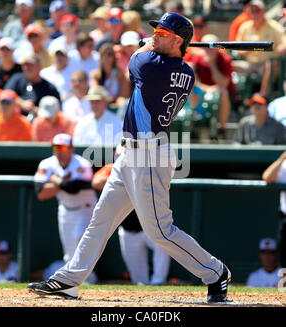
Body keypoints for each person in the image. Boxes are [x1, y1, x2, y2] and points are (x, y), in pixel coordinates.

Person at [28, 12, 231, 303]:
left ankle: (215, 272)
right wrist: (160, 43)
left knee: (159, 230)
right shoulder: (186, 72)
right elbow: (156, 56)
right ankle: (69, 280)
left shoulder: (149, 64)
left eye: (163, 33)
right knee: (102, 219)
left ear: (177, 41)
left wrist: (147, 43)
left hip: (149, 154)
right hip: (133, 153)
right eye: (156, 32)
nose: (156, 35)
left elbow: (137, 58)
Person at [92, 161, 171, 285]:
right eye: (118, 155)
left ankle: (158, 281)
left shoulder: (144, 167)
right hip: (128, 230)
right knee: (138, 279)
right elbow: (96, 181)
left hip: (149, 227)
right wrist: (121, 177)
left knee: (163, 246)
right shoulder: (113, 168)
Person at [33, 133, 98, 283]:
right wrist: (62, 182)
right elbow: (41, 193)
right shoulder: (47, 164)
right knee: (69, 254)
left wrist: (55, 180)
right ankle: (73, 283)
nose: (59, 151)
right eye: (56, 147)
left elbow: (73, 188)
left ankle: (88, 280)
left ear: (71, 149)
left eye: (63, 147)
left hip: (86, 209)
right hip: (65, 210)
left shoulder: (82, 164)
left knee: (81, 245)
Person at [191, 33, 239, 138]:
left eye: (212, 47)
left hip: (223, 92)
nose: (209, 49)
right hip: (204, 90)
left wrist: (212, 64)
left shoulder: (225, 59)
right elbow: (194, 80)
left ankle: (221, 129)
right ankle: (191, 125)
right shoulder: (198, 59)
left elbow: (223, 83)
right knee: (190, 90)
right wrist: (207, 88)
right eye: (206, 46)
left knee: (224, 92)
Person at [235, 0, 286, 95]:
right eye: (252, 11)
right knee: (228, 65)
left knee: (272, 65)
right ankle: (235, 100)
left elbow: (284, 43)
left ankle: (262, 96)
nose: (254, 14)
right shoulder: (244, 27)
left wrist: (281, 48)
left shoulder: (273, 26)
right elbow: (238, 49)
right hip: (249, 63)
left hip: (266, 63)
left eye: (257, 10)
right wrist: (251, 48)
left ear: (263, 11)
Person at [4, 53, 60, 118]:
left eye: (31, 65)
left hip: (40, 123)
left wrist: (39, 111)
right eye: (25, 65)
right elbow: (5, 94)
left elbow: (56, 109)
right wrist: (22, 103)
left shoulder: (49, 88)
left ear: (39, 66)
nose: (27, 68)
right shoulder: (17, 78)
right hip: (17, 121)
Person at [262, 151, 286, 269]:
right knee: (284, 261)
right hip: (285, 218)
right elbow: (267, 177)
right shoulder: (284, 164)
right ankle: (283, 287)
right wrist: (282, 157)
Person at [89, 43, 130, 108]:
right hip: (100, 105)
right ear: (100, 57)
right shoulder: (95, 75)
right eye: (103, 54)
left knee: (123, 103)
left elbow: (123, 95)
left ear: (114, 57)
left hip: (116, 105)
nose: (106, 57)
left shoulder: (119, 73)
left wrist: (115, 104)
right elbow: (95, 93)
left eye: (109, 54)